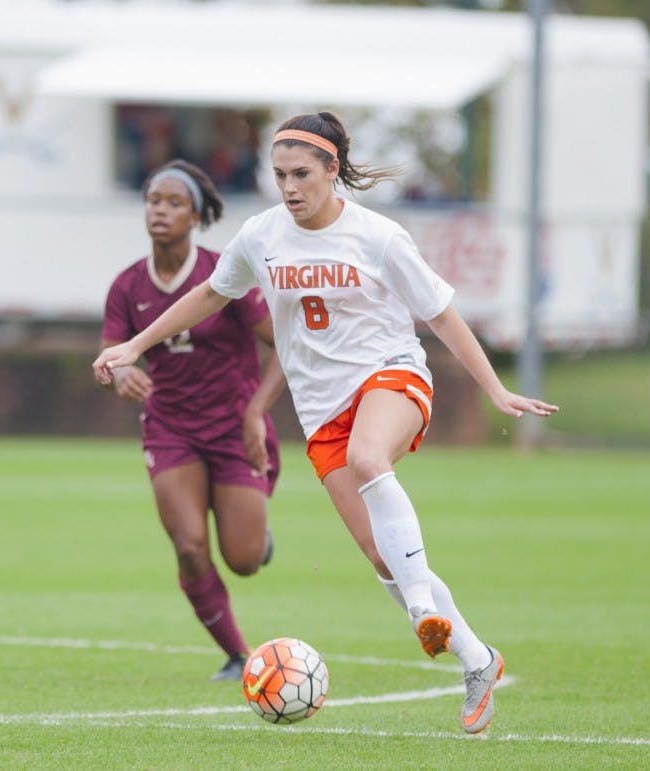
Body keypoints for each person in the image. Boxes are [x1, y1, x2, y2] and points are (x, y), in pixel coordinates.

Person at [94, 113, 559, 732]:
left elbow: (441, 314)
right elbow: (209, 294)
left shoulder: (379, 237)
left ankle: (422, 609)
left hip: (391, 376)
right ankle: (477, 660)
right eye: (279, 175)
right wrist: (135, 345)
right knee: (382, 557)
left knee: (370, 459)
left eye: (301, 174)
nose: (289, 187)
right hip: (322, 411)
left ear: (332, 169)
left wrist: (495, 389)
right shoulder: (262, 235)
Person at [99, 159, 283, 681]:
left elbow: (285, 347)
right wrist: (121, 374)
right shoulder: (127, 285)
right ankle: (238, 655)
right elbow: (112, 356)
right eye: (153, 201)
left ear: (196, 217)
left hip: (234, 428)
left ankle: (257, 539)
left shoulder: (224, 274)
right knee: (189, 546)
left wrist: (256, 410)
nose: (160, 211)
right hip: (170, 429)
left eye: (174, 203)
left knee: (243, 559)